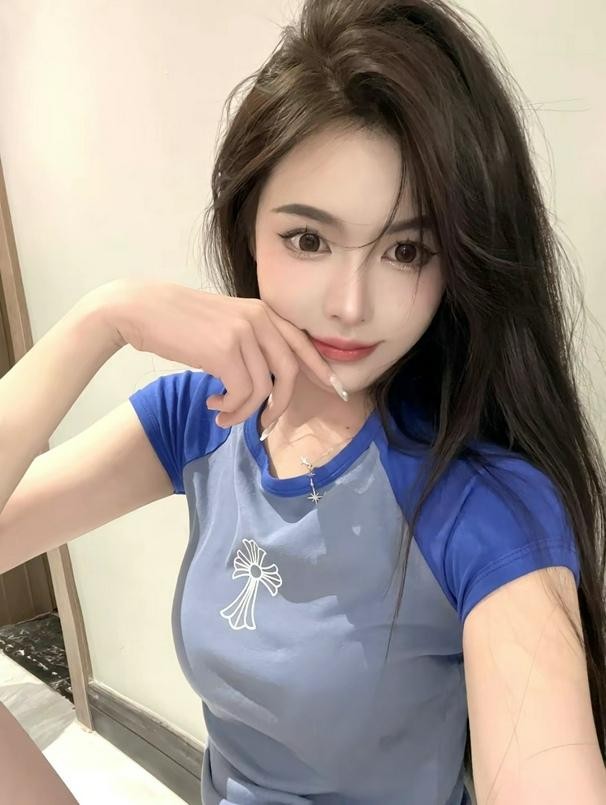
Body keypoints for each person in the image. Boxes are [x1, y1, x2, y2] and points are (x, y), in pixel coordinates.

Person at [0, 0, 605, 803]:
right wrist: (101, 320)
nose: (350, 305)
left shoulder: (481, 503)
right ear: (247, 226)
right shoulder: (207, 416)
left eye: (407, 250)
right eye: (309, 239)